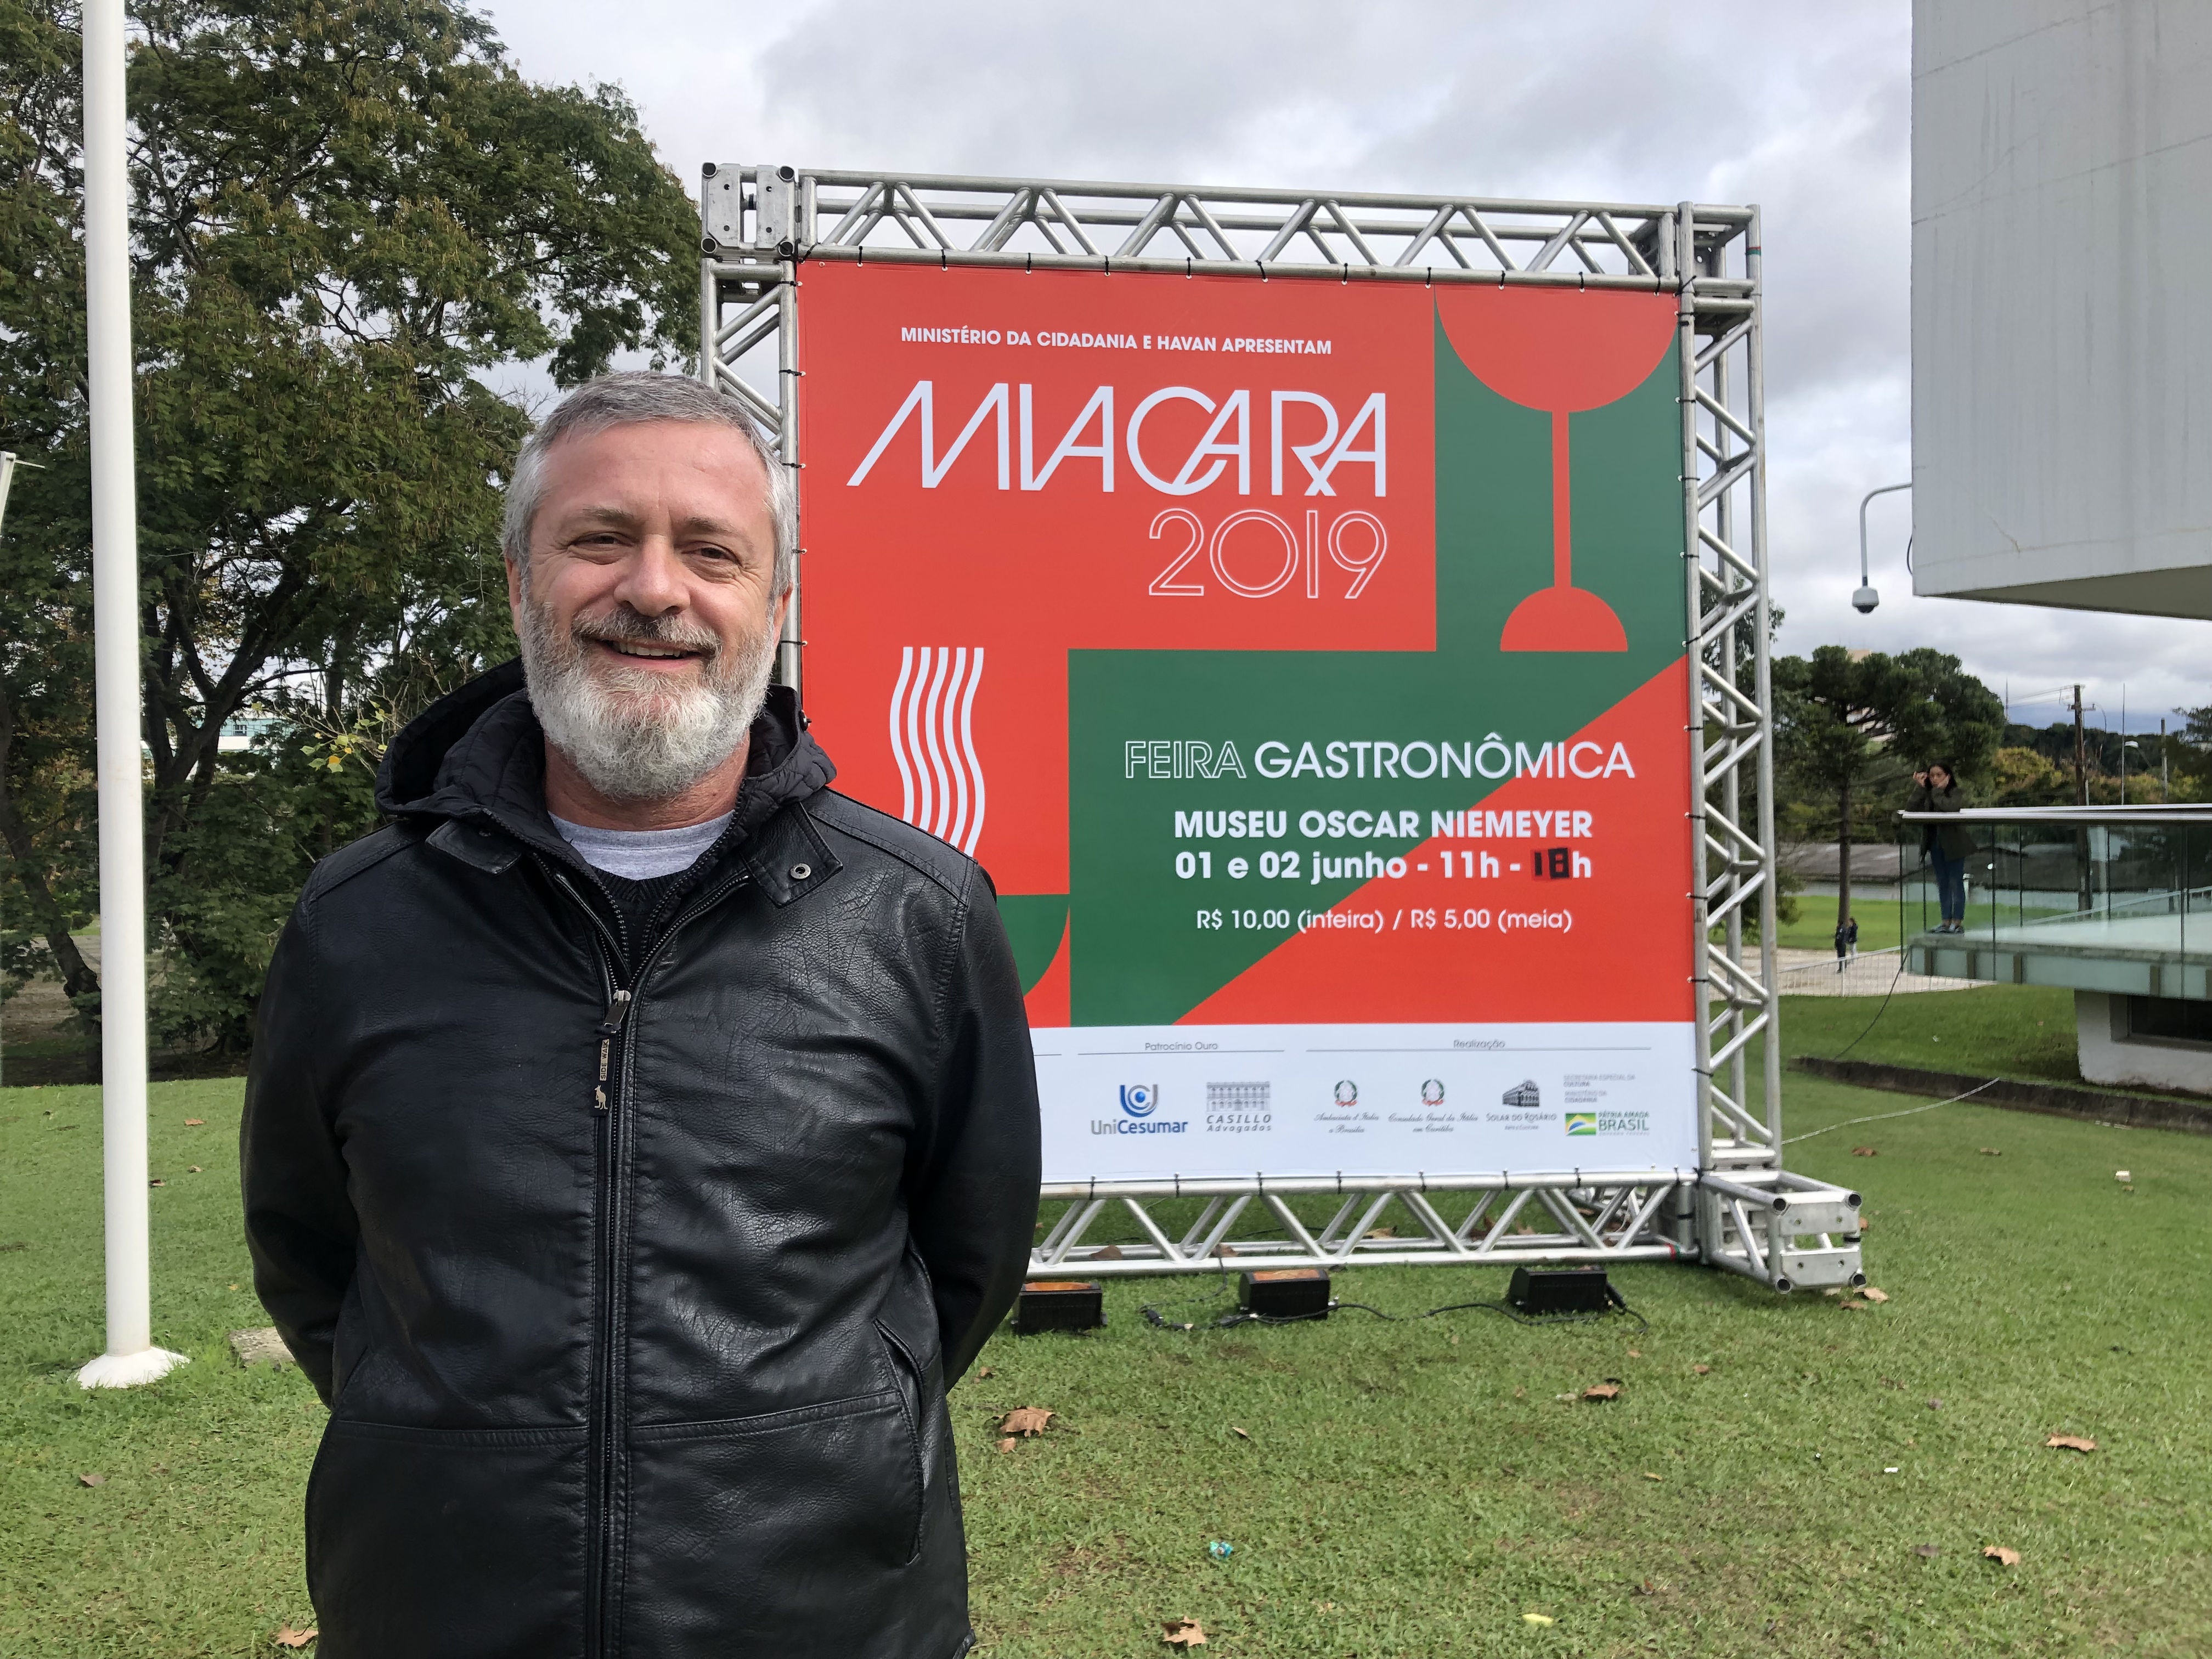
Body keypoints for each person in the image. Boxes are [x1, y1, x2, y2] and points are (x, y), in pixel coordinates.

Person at [241, 373, 1042, 1659]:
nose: (656, 589)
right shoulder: (358, 922)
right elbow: (309, 1255)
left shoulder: (920, 917)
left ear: (776, 603)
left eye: (711, 551)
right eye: (601, 537)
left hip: (825, 1620)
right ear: (520, 583)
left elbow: (966, 1263)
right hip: (436, 1614)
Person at [1909, 761, 1974, 933]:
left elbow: (1950, 808)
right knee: (1943, 883)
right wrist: (1921, 788)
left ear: (1948, 777)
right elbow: (1911, 809)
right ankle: (1945, 921)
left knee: (1955, 882)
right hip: (1935, 845)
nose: (1935, 779)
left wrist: (1937, 791)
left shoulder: (1955, 793)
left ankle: (1957, 922)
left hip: (1954, 846)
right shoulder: (1929, 793)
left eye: (1939, 775)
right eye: (1932, 776)